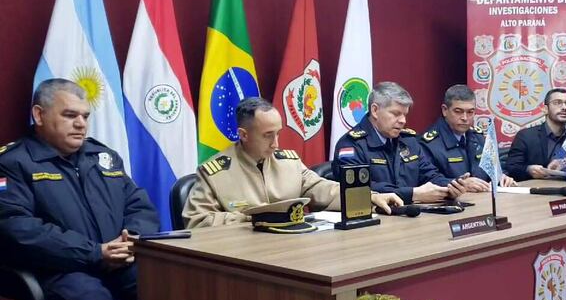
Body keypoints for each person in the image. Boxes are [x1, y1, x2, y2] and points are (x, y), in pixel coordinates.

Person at [0, 79, 159, 300]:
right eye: (70, 115)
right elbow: (17, 229)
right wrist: (95, 253)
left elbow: (138, 204)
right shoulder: (13, 163)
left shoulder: (103, 157)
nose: (81, 124)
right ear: (39, 115)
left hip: (118, 260)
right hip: (58, 270)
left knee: (173, 289)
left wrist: (132, 238)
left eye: (85, 116)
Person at [183, 97, 403, 228]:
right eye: (267, 135)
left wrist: (370, 196)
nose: (276, 144)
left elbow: (325, 190)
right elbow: (196, 220)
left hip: (292, 253)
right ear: (244, 134)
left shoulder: (288, 162)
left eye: (278, 133)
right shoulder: (215, 172)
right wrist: (250, 219)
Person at [333, 82, 467, 204]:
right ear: (375, 110)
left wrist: (452, 185)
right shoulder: (351, 145)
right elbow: (359, 190)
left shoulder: (408, 141)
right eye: (396, 114)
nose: (403, 120)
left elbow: (429, 174)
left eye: (405, 114)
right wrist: (412, 194)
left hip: (411, 216)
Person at [421, 84, 516, 191]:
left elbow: (493, 169)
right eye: (458, 111)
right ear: (444, 110)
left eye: (470, 112)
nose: (465, 118)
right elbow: (428, 179)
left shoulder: (478, 137)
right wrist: (461, 184)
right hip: (451, 203)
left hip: (483, 200)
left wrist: (501, 177)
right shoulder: (428, 144)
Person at [505, 88, 566, 181]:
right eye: (557, 102)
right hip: (534, 191)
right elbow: (511, 167)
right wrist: (528, 170)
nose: (564, 107)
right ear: (545, 109)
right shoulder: (526, 136)